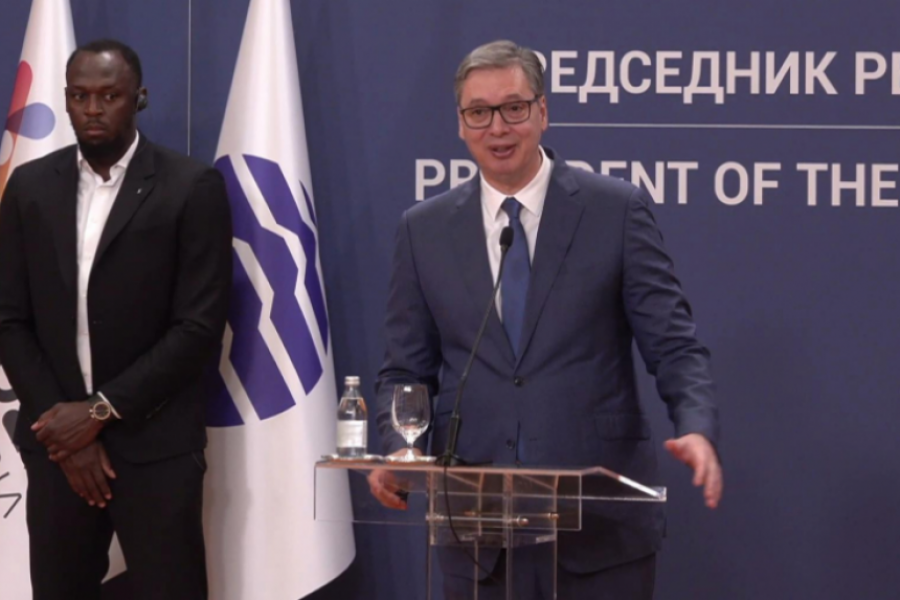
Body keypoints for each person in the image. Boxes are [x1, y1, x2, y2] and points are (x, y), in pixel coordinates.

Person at [369, 40, 723, 600]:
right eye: (479, 112)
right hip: (478, 533)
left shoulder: (615, 211)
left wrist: (696, 425)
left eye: (513, 107)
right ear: (460, 124)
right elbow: (404, 372)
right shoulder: (424, 230)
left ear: (542, 111)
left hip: (599, 530)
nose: (497, 127)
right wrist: (399, 449)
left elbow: (674, 345)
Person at [0, 39, 232, 600]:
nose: (93, 109)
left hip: (155, 446)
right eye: (79, 96)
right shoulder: (29, 187)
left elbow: (198, 327)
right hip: (56, 451)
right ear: (66, 99)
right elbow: (8, 318)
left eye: (109, 96)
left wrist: (99, 412)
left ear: (139, 98)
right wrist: (64, 431)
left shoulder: (190, 186)